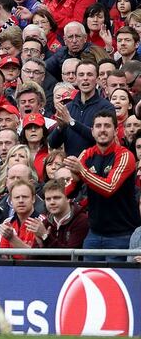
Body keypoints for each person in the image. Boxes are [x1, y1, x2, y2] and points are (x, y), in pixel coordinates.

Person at [64, 110, 141, 259]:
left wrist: (82, 172)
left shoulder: (125, 156)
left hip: (121, 235)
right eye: (98, 126)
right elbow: (68, 193)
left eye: (107, 126)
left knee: (116, 281)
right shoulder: (86, 154)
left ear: (116, 130)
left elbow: (109, 187)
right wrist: (74, 178)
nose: (103, 130)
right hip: (94, 233)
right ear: (92, 131)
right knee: (89, 279)